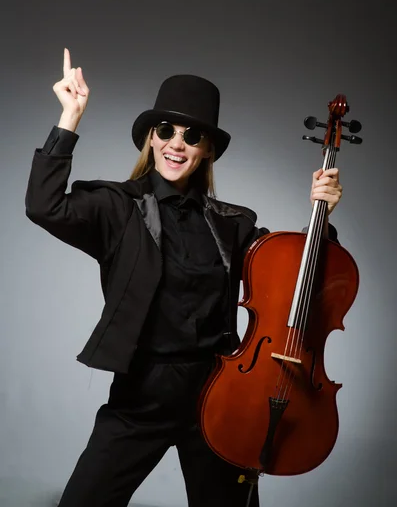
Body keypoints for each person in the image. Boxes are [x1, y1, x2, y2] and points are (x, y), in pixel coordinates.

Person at [25, 49, 342, 507]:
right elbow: (44, 206)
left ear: (207, 148)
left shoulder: (234, 223)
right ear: (152, 139)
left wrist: (322, 219)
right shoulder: (117, 208)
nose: (177, 143)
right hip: (141, 395)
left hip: (218, 392)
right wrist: (69, 118)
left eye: (192, 135)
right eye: (166, 131)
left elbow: (299, 282)